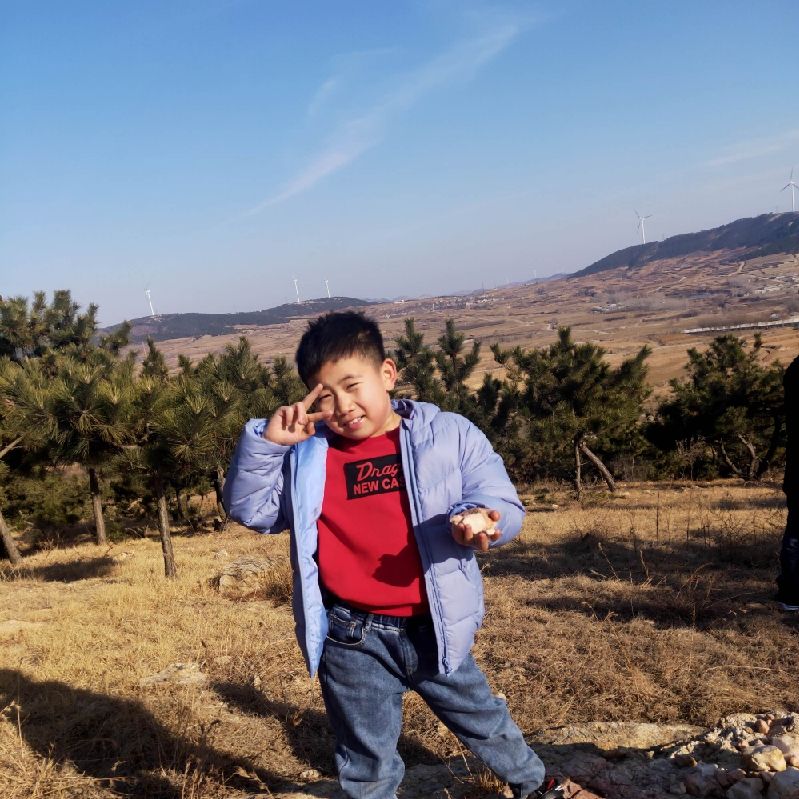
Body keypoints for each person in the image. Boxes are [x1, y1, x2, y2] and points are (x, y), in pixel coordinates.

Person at [223, 311, 563, 799]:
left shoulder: (449, 434)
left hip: (435, 626)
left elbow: (499, 499)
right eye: (325, 396)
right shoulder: (309, 455)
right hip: (351, 634)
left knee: (484, 720)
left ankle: (538, 785)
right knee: (367, 758)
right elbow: (252, 510)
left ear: (387, 373)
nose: (343, 406)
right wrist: (268, 446)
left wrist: (483, 519)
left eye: (352, 385)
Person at [777, 354, 799, 611]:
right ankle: (792, 594)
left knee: (796, 533)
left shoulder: (794, 372)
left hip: (796, 470)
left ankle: (792, 594)